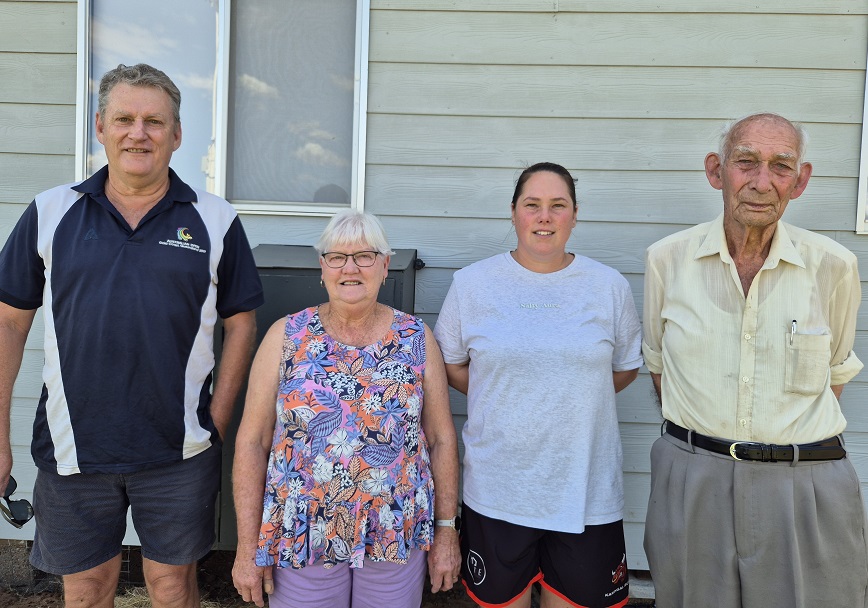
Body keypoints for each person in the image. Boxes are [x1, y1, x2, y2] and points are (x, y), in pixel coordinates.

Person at [0, 63, 264, 608]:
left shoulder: (215, 219)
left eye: (154, 121)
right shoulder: (51, 212)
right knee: (87, 589)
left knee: (171, 587)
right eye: (124, 118)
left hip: (179, 452)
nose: (137, 133)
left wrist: (214, 420)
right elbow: (8, 322)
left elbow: (241, 325)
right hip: (74, 450)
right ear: (100, 127)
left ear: (177, 134)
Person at [642, 112, 868, 607]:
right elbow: (659, 368)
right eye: (746, 162)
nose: (762, 182)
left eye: (780, 166)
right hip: (694, 479)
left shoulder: (833, 265)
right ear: (715, 171)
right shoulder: (667, 259)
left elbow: (834, 374)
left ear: (800, 180)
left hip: (802, 483)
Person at [434, 162, 643, 608]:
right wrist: (506, 394)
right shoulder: (472, 285)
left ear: (574, 214)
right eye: (532, 205)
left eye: (557, 206)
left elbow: (625, 369)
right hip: (498, 492)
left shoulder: (608, 287)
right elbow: (450, 364)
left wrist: (569, 392)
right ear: (513, 213)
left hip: (586, 492)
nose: (544, 217)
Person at [231, 210, 461, 608]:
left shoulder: (416, 337)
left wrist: (446, 531)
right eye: (337, 257)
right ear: (322, 267)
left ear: (385, 266)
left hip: (394, 531)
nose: (350, 268)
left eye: (365, 256)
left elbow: (441, 440)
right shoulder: (285, 336)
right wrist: (249, 546)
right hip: (304, 534)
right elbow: (252, 442)